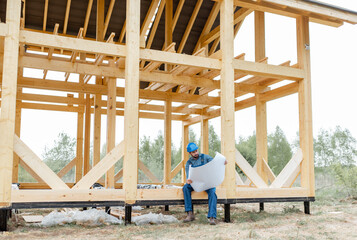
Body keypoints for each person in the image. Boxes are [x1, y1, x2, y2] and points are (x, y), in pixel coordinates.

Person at [182, 142, 227, 225]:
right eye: (193, 152)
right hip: (195, 184)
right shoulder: (189, 163)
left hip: (207, 183)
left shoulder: (205, 157)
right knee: (185, 187)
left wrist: (222, 162)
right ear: (190, 153)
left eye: (196, 151)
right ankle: (190, 214)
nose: (196, 153)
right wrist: (188, 180)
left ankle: (212, 217)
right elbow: (188, 177)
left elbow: (215, 163)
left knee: (213, 193)